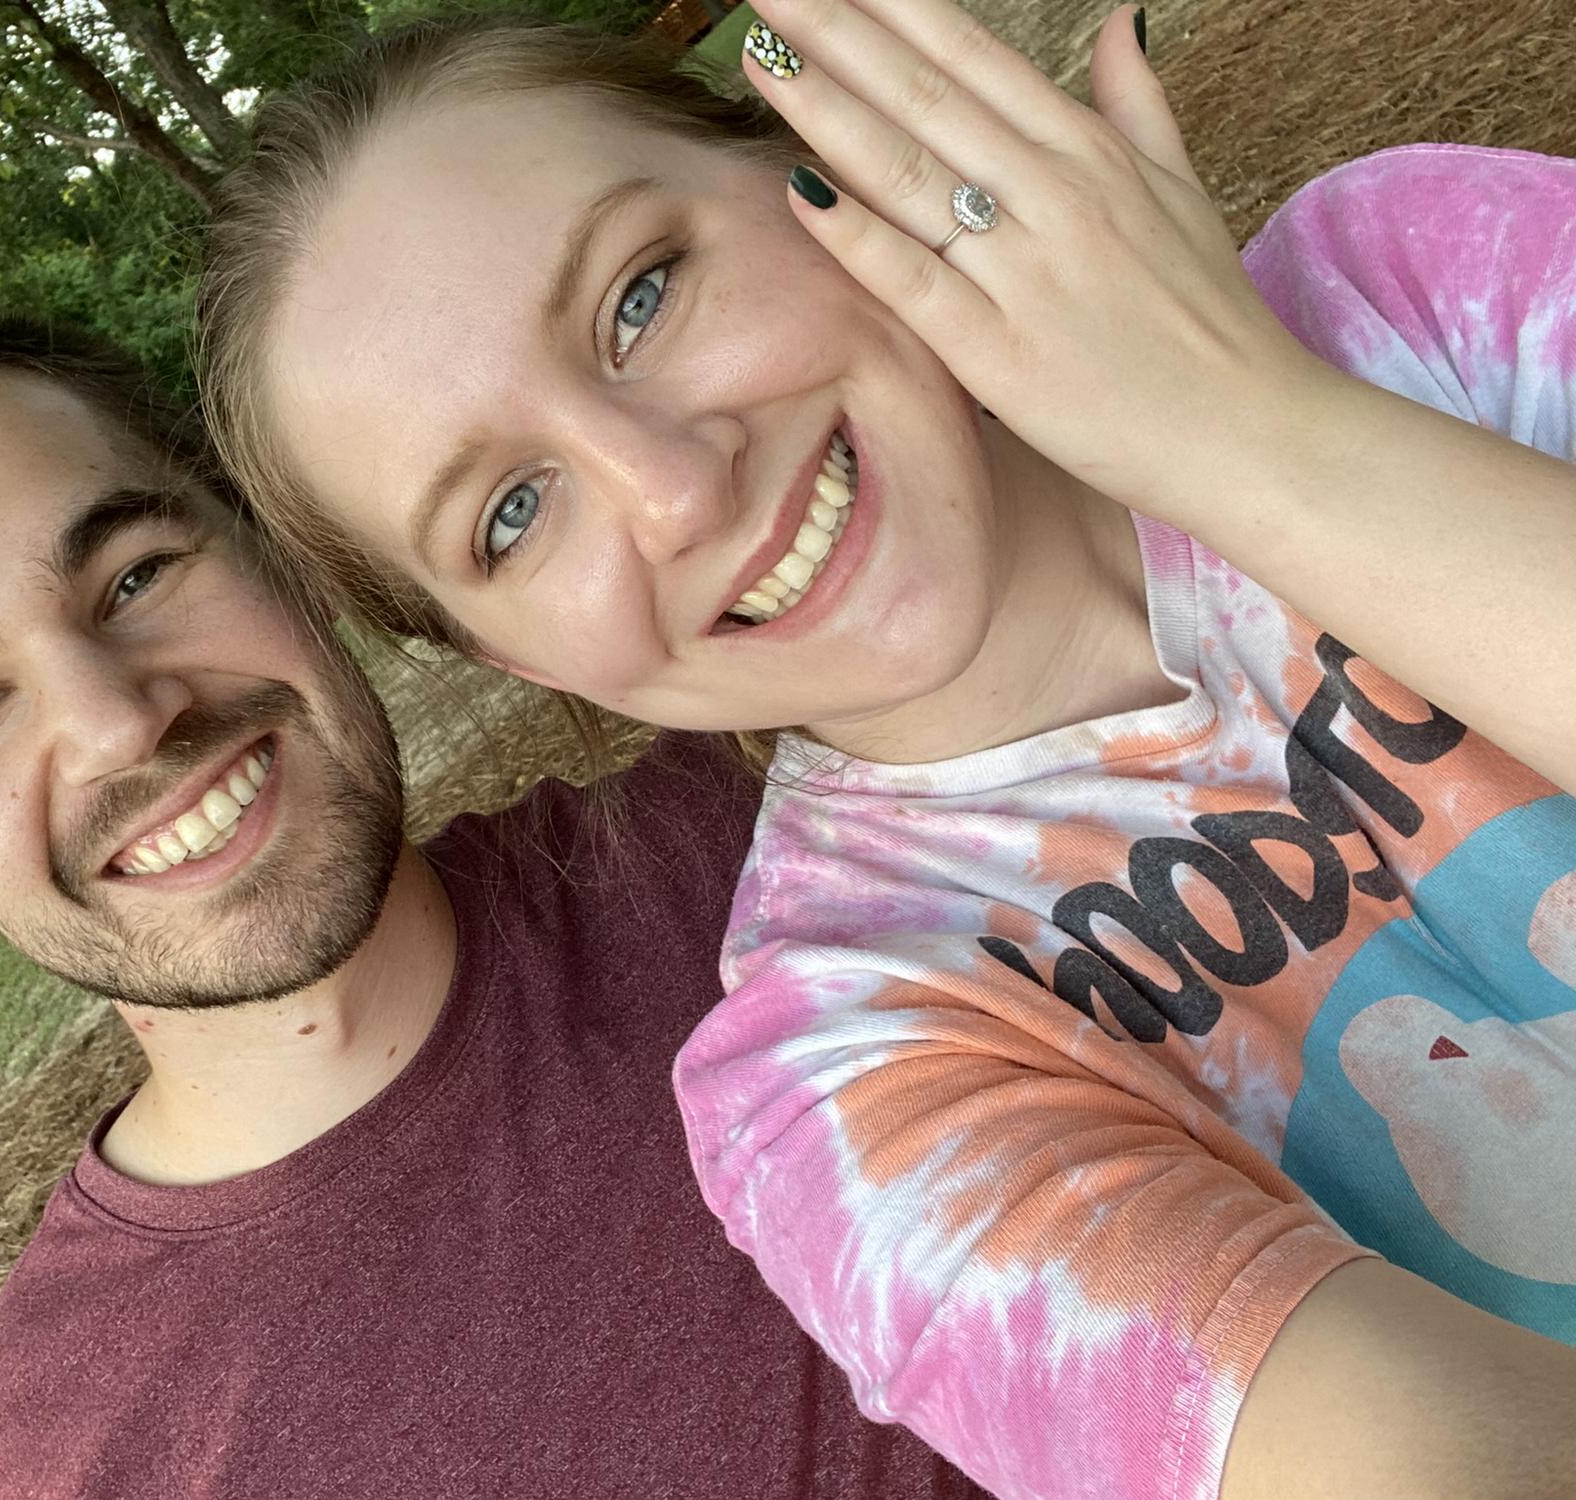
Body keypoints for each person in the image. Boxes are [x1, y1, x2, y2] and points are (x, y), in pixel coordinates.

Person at [194, 6, 1576, 1499]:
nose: (671, 490)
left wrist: (1243, 435)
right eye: (511, 516)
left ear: (818, 170)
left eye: (640, 297)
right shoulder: (845, 1077)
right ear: (515, 658)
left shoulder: (1412, 292)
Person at [0, 315, 986, 1500]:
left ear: (279, 556)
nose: (115, 717)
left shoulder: (811, 820)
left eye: (136, 577)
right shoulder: (51, 1458)